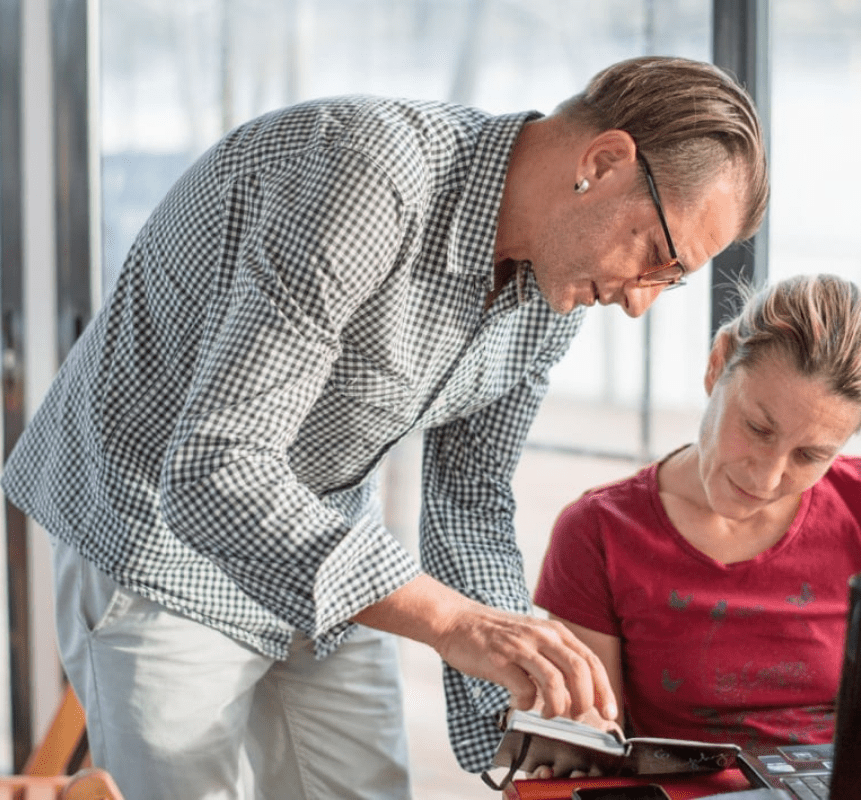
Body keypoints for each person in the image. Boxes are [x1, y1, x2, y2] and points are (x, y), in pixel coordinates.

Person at [1, 56, 767, 799]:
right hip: (160, 538)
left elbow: (469, 499)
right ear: (601, 162)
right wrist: (453, 621)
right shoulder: (367, 176)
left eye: (671, 282)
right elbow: (216, 467)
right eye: (655, 257)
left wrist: (518, 703)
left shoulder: (554, 287)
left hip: (324, 537)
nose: (639, 302)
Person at [534, 274, 861, 756]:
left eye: (809, 456)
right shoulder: (598, 531)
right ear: (717, 365)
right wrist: (571, 734)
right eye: (757, 428)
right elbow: (593, 738)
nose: (766, 478)